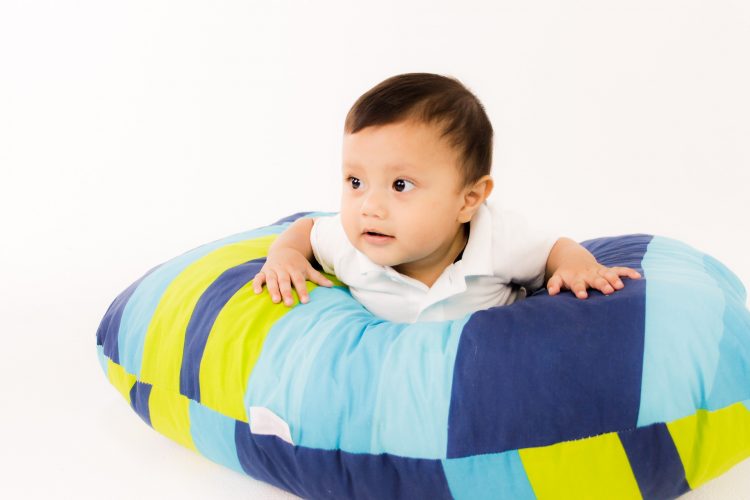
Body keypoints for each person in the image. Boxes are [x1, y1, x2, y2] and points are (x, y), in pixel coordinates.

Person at [252, 72, 641, 323]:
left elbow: (555, 250)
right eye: (356, 181)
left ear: (468, 200)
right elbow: (307, 230)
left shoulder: (497, 240)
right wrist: (284, 256)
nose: (369, 207)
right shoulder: (350, 242)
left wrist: (577, 266)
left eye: (400, 185)